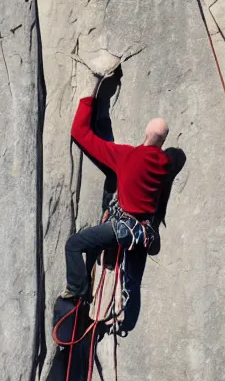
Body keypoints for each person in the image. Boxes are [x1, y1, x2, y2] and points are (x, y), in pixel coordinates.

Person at [61, 69, 173, 303]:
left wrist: (91, 91)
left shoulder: (128, 157)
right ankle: (109, 263)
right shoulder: (165, 165)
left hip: (123, 229)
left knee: (74, 245)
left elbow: (80, 133)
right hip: (144, 232)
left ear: (145, 132)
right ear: (163, 141)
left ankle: (77, 289)